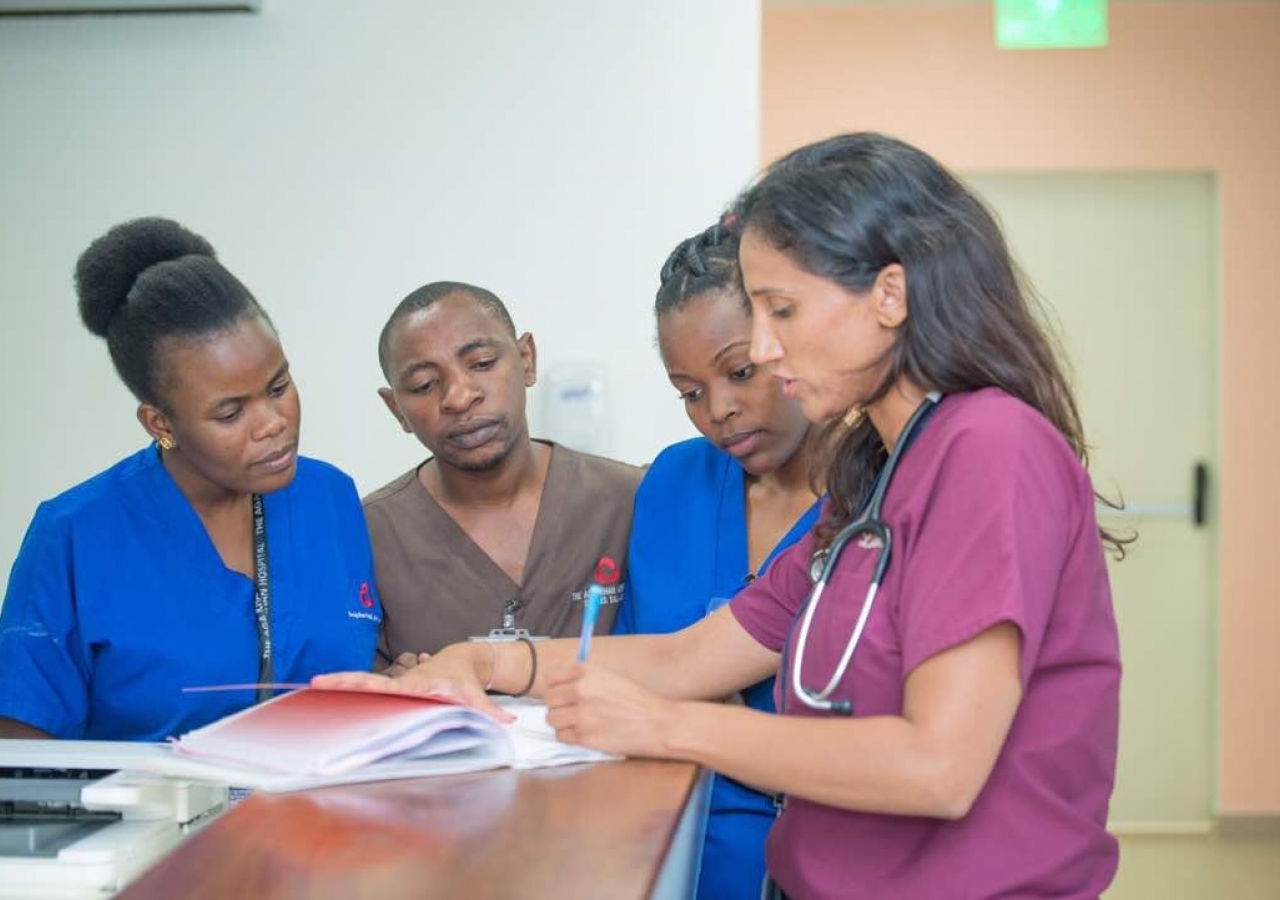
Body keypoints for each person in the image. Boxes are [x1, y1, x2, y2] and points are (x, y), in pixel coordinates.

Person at [318, 133, 1124, 900]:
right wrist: (475, 664)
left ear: (889, 293)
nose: (766, 351)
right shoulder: (873, 481)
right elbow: (686, 657)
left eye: (782, 311)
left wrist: (668, 729)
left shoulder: (989, 444)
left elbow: (938, 766)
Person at [0, 217, 381, 742]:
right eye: (229, 413)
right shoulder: (73, 534)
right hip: (147, 823)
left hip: (328, 818)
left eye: (278, 385)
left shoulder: (331, 498)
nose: (273, 423)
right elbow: (23, 749)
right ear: (160, 423)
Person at [614, 220, 820, 900]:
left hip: (839, 862)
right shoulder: (675, 482)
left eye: (738, 373)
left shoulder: (879, 497)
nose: (719, 413)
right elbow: (638, 675)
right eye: (689, 392)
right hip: (677, 862)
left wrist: (710, 718)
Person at [365, 282, 642, 665]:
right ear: (396, 409)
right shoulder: (369, 536)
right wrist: (388, 690)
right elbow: (348, 691)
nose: (459, 397)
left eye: (481, 364)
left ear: (527, 359)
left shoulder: (630, 500)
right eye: (424, 385)